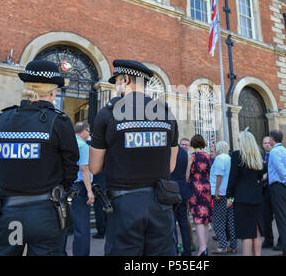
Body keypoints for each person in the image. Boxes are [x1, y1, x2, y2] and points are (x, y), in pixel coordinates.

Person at [0, 59, 79, 256]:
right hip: (45, 213)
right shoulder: (59, 121)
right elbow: (71, 168)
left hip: (9, 212)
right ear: (53, 91)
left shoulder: (2, 120)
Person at [89, 59, 179, 256]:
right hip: (161, 202)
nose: (115, 86)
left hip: (124, 204)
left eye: (116, 81)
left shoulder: (108, 113)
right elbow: (170, 166)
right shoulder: (165, 113)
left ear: (126, 79)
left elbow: (94, 167)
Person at [227, 130, 264, 256]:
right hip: (257, 197)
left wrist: (230, 198)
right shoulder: (257, 156)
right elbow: (260, 177)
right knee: (257, 231)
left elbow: (233, 178)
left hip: (242, 198)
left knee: (246, 233)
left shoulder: (236, 155)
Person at [70, 121, 94, 256]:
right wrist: (90, 191)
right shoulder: (83, 146)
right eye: (88, 132)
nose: (89, 135)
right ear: (84, 131)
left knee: (64, 226)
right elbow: (84, 168)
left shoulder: (67, 143)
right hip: (80, 188)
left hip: (66, 187)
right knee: (82, 228)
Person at [186, 134, 212, 256]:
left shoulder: (191, 156)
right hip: (206, 188)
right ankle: (204, 246)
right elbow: (210, 171)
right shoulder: (207, 156)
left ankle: (202, 249)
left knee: (198, 219)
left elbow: (187, 174)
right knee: (205, 219)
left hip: (195, 188)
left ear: (192, 144)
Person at [210, 141, 237, 254]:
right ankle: (233, 246)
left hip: (221, 194)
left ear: (219, 149)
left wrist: (216, 191)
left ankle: (223, 246)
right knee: (230, 221)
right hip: (229, 194)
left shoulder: (220, 158)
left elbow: (219, 175)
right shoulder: (230, 158)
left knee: (217, 221)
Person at [171, 146, 193, 256]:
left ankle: (174, 250)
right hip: (182, 189)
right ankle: (187, 251)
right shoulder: (184, 153)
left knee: (172, 223)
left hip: (171, 190)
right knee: (183, 222)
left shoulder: (169, 151)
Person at [261, 135, 280, 250]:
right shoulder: (262, 157)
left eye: (269, 142)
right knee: (266, 217)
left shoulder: (276, 155)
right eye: (265, 143)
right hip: (264, 191)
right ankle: (268, 240)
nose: (267, 144)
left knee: (278, 216)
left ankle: (281, 240)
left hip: (275, 190)